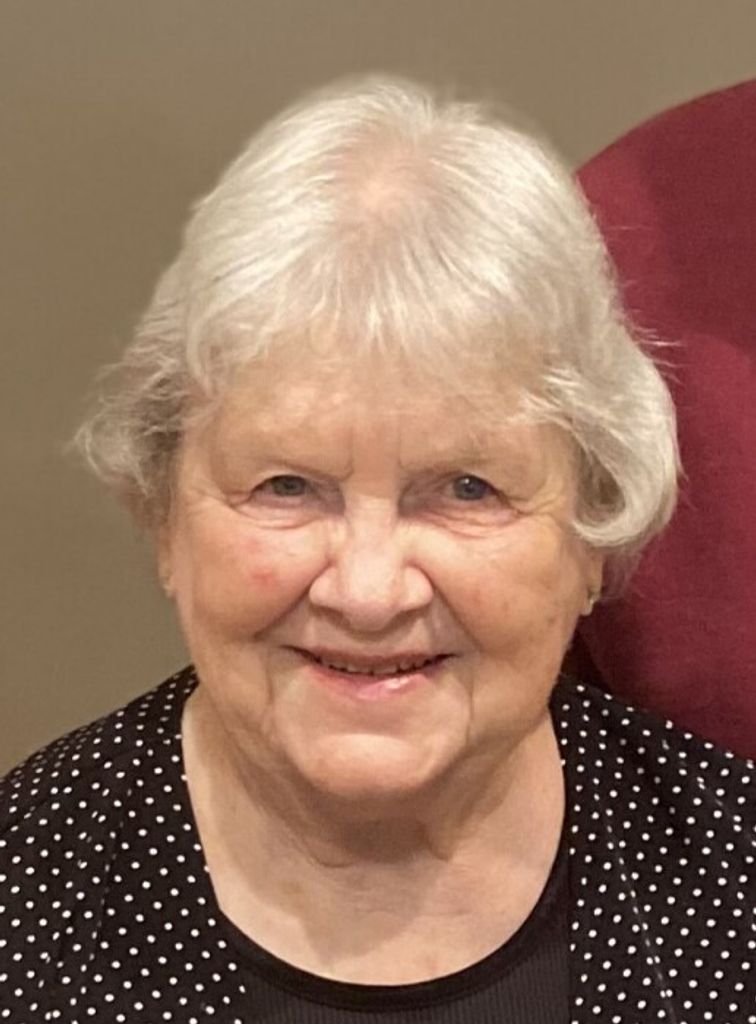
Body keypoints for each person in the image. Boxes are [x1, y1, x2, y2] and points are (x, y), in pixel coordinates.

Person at [0, 76, 753, 1024]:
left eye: (467, 489)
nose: (367, 592)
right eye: (287, 486)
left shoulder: (734, 883)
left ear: (594, 533)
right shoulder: (23, 904)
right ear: (165, 520)